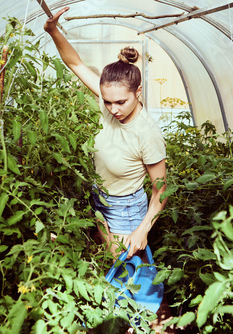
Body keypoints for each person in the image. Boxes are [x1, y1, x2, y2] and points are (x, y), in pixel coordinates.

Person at [44, 7, 167, 259]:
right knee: (106, 258)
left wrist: (143, 229)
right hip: (99, 195)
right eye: (107, 102)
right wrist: (53, 31)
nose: (113, 109)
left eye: (121, 102)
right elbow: (75, 62)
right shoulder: (108, 101)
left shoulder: (147, 133)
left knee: (119, 265)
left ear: (138, 92)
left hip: (126, 208)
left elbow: (162, 190)